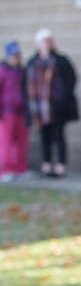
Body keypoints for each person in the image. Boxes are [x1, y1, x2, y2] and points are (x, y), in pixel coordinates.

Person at [25, 29, 79, 179]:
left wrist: (62, 98)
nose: (47, 44)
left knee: (58, 135)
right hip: (39, 107)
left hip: (57, 106)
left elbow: (71, 79)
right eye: (44, 41)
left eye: (50, 41)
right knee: (44, 136)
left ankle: (61, 164)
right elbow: (26, 84)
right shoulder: (32, 62)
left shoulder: (61, 61)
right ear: (39, 44)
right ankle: (47, 163)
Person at [0, 41, 27, 181]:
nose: (15, 58)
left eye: (17, 55)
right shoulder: (3, 71)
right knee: (6, 142)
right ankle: (6, 170)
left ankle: (20, 168)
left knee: (21, 142)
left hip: (21, 112)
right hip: (7, 112)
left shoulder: (22, 72)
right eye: (13, 56)